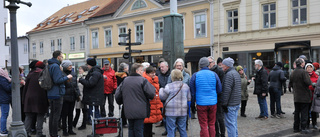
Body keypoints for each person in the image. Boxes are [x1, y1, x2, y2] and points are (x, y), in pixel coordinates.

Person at [115, 63, 155, 137]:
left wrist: (121, 102)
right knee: (139, 129)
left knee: (131, 128)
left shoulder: (125, 80)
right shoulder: (143, 80)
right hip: (140, 110)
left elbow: (117, 95)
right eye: (141, 70)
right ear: (137, 71)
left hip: (128, 109)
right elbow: (151, 93)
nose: (143, 72)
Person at [190, 57, 222, 137]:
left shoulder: (195, 75)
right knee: (211, 124)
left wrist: (192, 105)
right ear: (208, 65)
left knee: (203, 125)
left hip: (201, 103)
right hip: (212, 103)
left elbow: (192, 92)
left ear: (200, 65)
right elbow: (219, 89)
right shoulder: (214, 75)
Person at [47, 50, 73, 137]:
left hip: (51, 92)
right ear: (58, 57)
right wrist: (67, 77)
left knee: (52, 115)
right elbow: (57, 80)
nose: (62, 58)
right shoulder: (55, 66)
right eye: (62, 57)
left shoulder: (50, 65)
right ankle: (54, 134)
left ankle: (52, 133)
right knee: (56, 116)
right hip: (57, 93)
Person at [160, 69, 191, 137]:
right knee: (182, 129)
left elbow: (162, 97)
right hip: (182, 110)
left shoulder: (168, 86)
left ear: (172, 76)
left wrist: (161, 90)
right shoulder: (185, 86)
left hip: (171, 111)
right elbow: (189, 98)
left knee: (171, 129)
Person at [79, 58, 105, 131]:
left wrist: (81, 80)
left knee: (95, 114)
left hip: (94, 97)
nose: (87, 66)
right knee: (95, 113)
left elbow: (90, 83)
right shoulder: (95, 72)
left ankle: (99, 130)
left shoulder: (95, 73)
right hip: (93, 96)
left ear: (90, 65)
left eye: (87, 64)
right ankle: (98, 130)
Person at [23, 61, 48, 137]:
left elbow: (25, 88)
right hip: (41, 97)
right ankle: (39, 133)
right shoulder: (44, 74)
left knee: (29, 116)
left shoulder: (30, 74)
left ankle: (26, 133)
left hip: (29, 98)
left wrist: (24, 99)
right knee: (40, 115)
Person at [289, 58, 312, 134]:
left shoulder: (293, 72)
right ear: (302, 64)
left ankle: (296, 127)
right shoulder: (303, 72)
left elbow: (290, 84)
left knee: (297, 112)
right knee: (304, 113)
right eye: (304, 62)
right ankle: (303, 127)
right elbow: (308, 82)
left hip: (297, 96)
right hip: (304, 96)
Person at [221, 57, 241, 137]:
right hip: (236, 103)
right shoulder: (235, 73)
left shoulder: (229, 75)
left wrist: (224, 104)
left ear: (227, 66)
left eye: (223, 64)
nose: (221, 66)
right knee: (234, 123)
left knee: (230, 125)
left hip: (231, 103)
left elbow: (227, 91)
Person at [142, 66, 163, 137]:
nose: (154, 74)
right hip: (149, 104)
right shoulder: (145, 81)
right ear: (147, 74)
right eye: (152, 73)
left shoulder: (155, 80)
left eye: (154, 73)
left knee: (150, 123)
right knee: (147, 123)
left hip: (154, 104)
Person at [60, 60, 79, 136]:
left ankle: (70, 129)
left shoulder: (73, 74)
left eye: (71, 65)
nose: (71, 66)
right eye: (69, 65)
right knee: (64, 115)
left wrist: (78, 94)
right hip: (65, 97)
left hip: (72, 97)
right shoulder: (62, 74)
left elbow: (76, 85)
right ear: (65, 66)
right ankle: (64, 130)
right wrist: (67, 80)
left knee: (71, 114)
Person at [208, 56, 225, 137]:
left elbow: (222, 86)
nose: (209, 64)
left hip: (218, 98)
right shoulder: (207, 72)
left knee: (220, 118)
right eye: (207, 63)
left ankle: (222, 134)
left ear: (214, 63)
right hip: (211, 99)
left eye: (210, 62)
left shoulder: (219, 71)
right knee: (213, 118)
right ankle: (216, 134)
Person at [73, 65, 88, 130]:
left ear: (84, 70)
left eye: (80, 69)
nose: (79, 70)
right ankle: (74, 123)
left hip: (83, 96)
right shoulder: (79, 76)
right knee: (78, 110)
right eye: (79, 69)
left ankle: (83, 124)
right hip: (78, 96)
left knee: (84, 111)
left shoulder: (85, 77)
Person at [156, 61, 170, 128]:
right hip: (162, 98)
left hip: (170, 98)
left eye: (162, 67)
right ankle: (166, 129)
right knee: (163, 115)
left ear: (167, 67)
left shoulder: (171, 75)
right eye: (160, 67)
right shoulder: (159, 76)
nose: (161, 68)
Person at [115, 63, 129, 127]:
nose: (127, 69)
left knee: (123, 108)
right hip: (125, 92)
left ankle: (122, 122)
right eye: (126, 68)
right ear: (124, 69)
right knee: (125, 108)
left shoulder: (117, 74)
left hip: (120, 92)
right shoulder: (124, 75)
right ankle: (124, 122)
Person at [305, 63, 318, 129]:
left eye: (310, 67)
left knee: (314, 111)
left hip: (314, 96)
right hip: (306, 96)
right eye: (308, 67)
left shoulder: (316, 76)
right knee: (306, 111)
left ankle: (314, 123)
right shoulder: (304, 75)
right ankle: (307, 124)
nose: (309, 68)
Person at [0, 69, 11, 136]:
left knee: (3, 115)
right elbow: (8, 88)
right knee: (4, 115)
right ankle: (3, 130)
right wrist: (11, 83)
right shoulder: (2, 79)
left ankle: (2, 129)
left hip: (2, 98)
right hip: (4, 99)